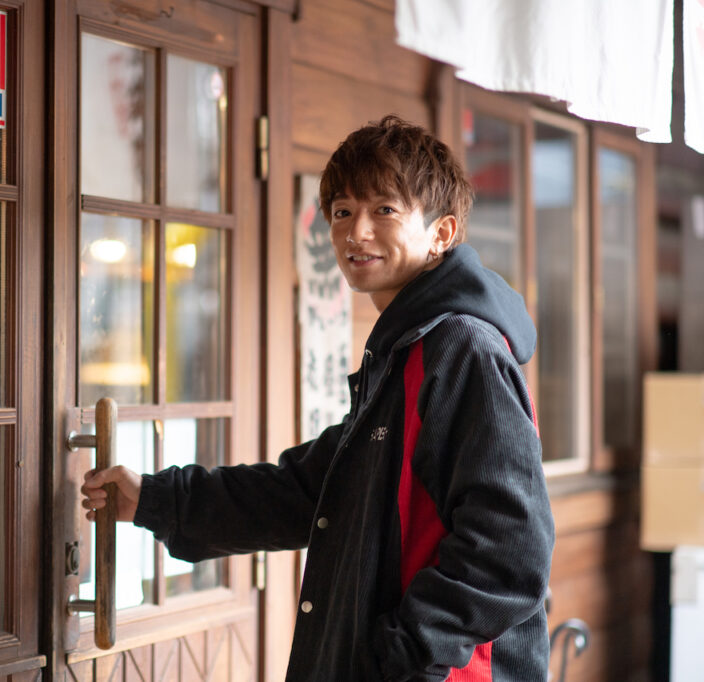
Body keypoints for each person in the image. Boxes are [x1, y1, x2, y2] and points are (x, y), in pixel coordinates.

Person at [81, 115, 554, 681]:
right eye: (343, 212)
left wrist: (394, 657)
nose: (356, 232)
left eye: (384, 210)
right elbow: (308, 491)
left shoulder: (461, 351)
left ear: (441, 233)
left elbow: (510, 552)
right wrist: (158, 501)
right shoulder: (404, 350)